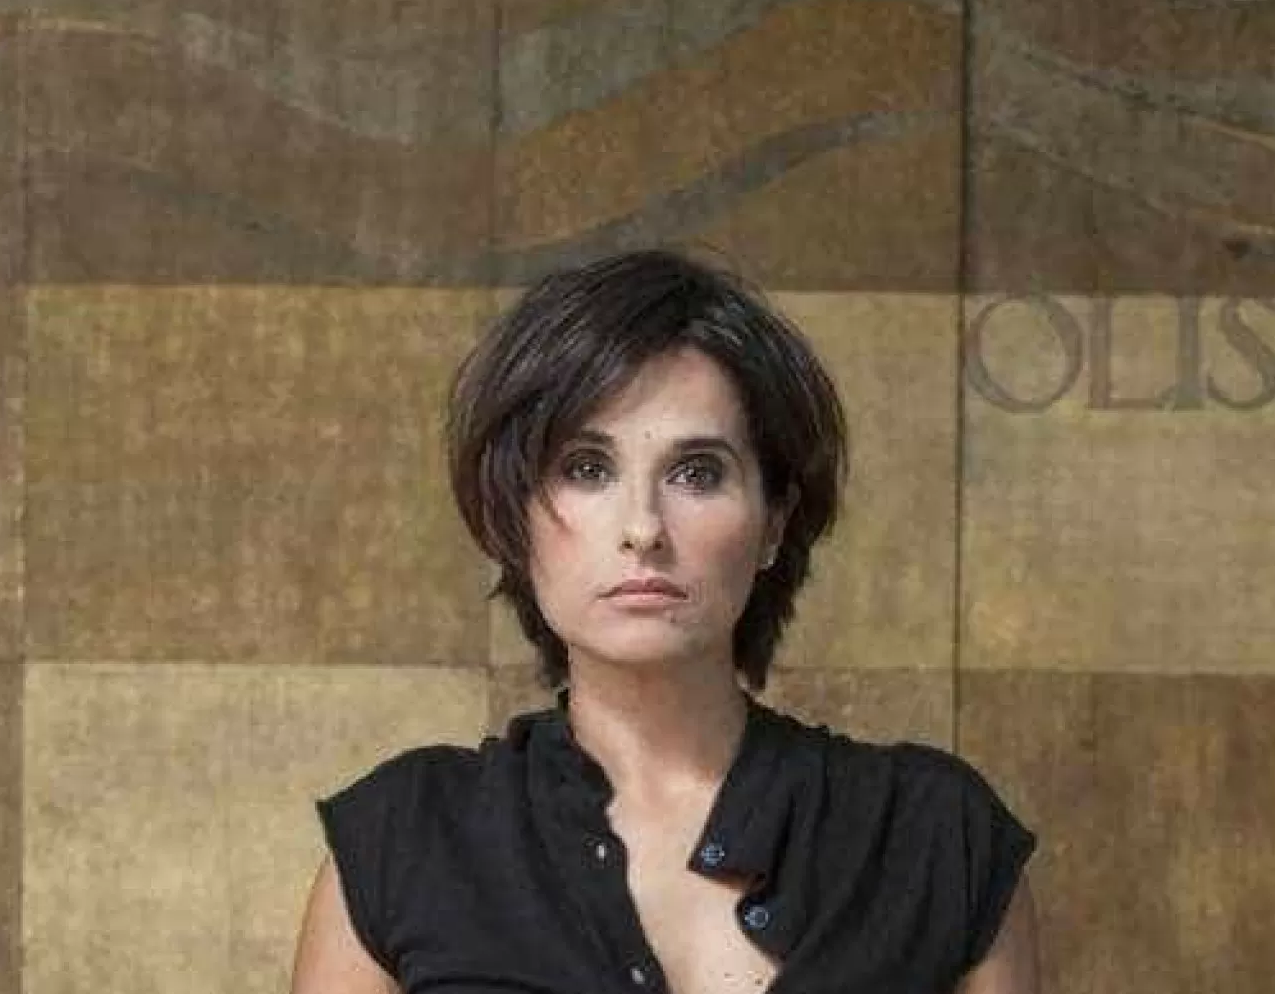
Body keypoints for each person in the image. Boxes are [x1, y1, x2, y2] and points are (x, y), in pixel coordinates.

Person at [289, 250, 1040, 994]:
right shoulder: (402, 841)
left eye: (697, 473)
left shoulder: (935, 836)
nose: (643, 528)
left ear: (774, 522)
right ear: (513, 518)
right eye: (586, 468)